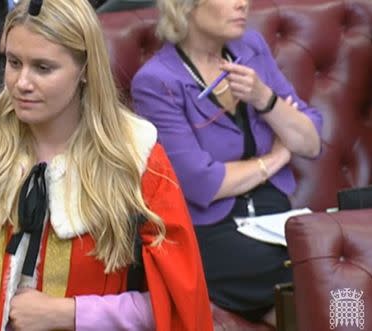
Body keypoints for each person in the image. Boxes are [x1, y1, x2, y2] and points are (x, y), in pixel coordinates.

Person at [0, 0, 213, 330]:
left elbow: (179, 305)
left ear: (84, 71)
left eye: (43, 67)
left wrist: (71, 313)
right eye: (14, 62)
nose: (22, 82)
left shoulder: (137, 161)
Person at [131, 0, 323, 326]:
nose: (243, 4)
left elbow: (309, 141)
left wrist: (265, 98)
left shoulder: (250, 49)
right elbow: (203, 182)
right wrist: (276, 157)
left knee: (328, 263)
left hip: (273, 218)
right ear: (185, 7)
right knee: (318, 275)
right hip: (208, 232)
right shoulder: (156, 81)